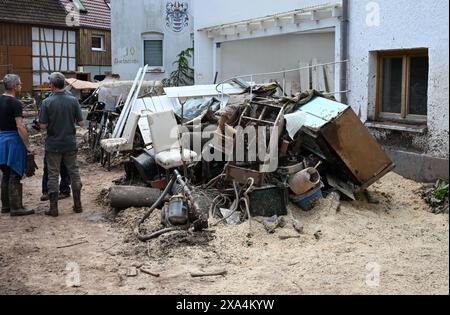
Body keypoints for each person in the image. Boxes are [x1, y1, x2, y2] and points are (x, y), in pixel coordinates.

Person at [39, 72, 84, 217]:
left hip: (53, 144)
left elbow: (43, 126)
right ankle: (78, 205)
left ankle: (53, 209)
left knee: (53, 174)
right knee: (74, 172)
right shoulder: (73, 100)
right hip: (70, 143)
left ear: (52, 85)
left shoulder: (47, 102)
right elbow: (81, 123)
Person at [0, 74, 35, 216]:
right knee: (15, 173)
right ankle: (16, 207)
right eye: (20, 84)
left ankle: (6, 206)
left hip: (1, 139)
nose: (21, 86)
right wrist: (27, 146)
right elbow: (20, 126)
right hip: (13, 140)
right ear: (14, 87)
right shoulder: (15, 103)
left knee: (6, 173)